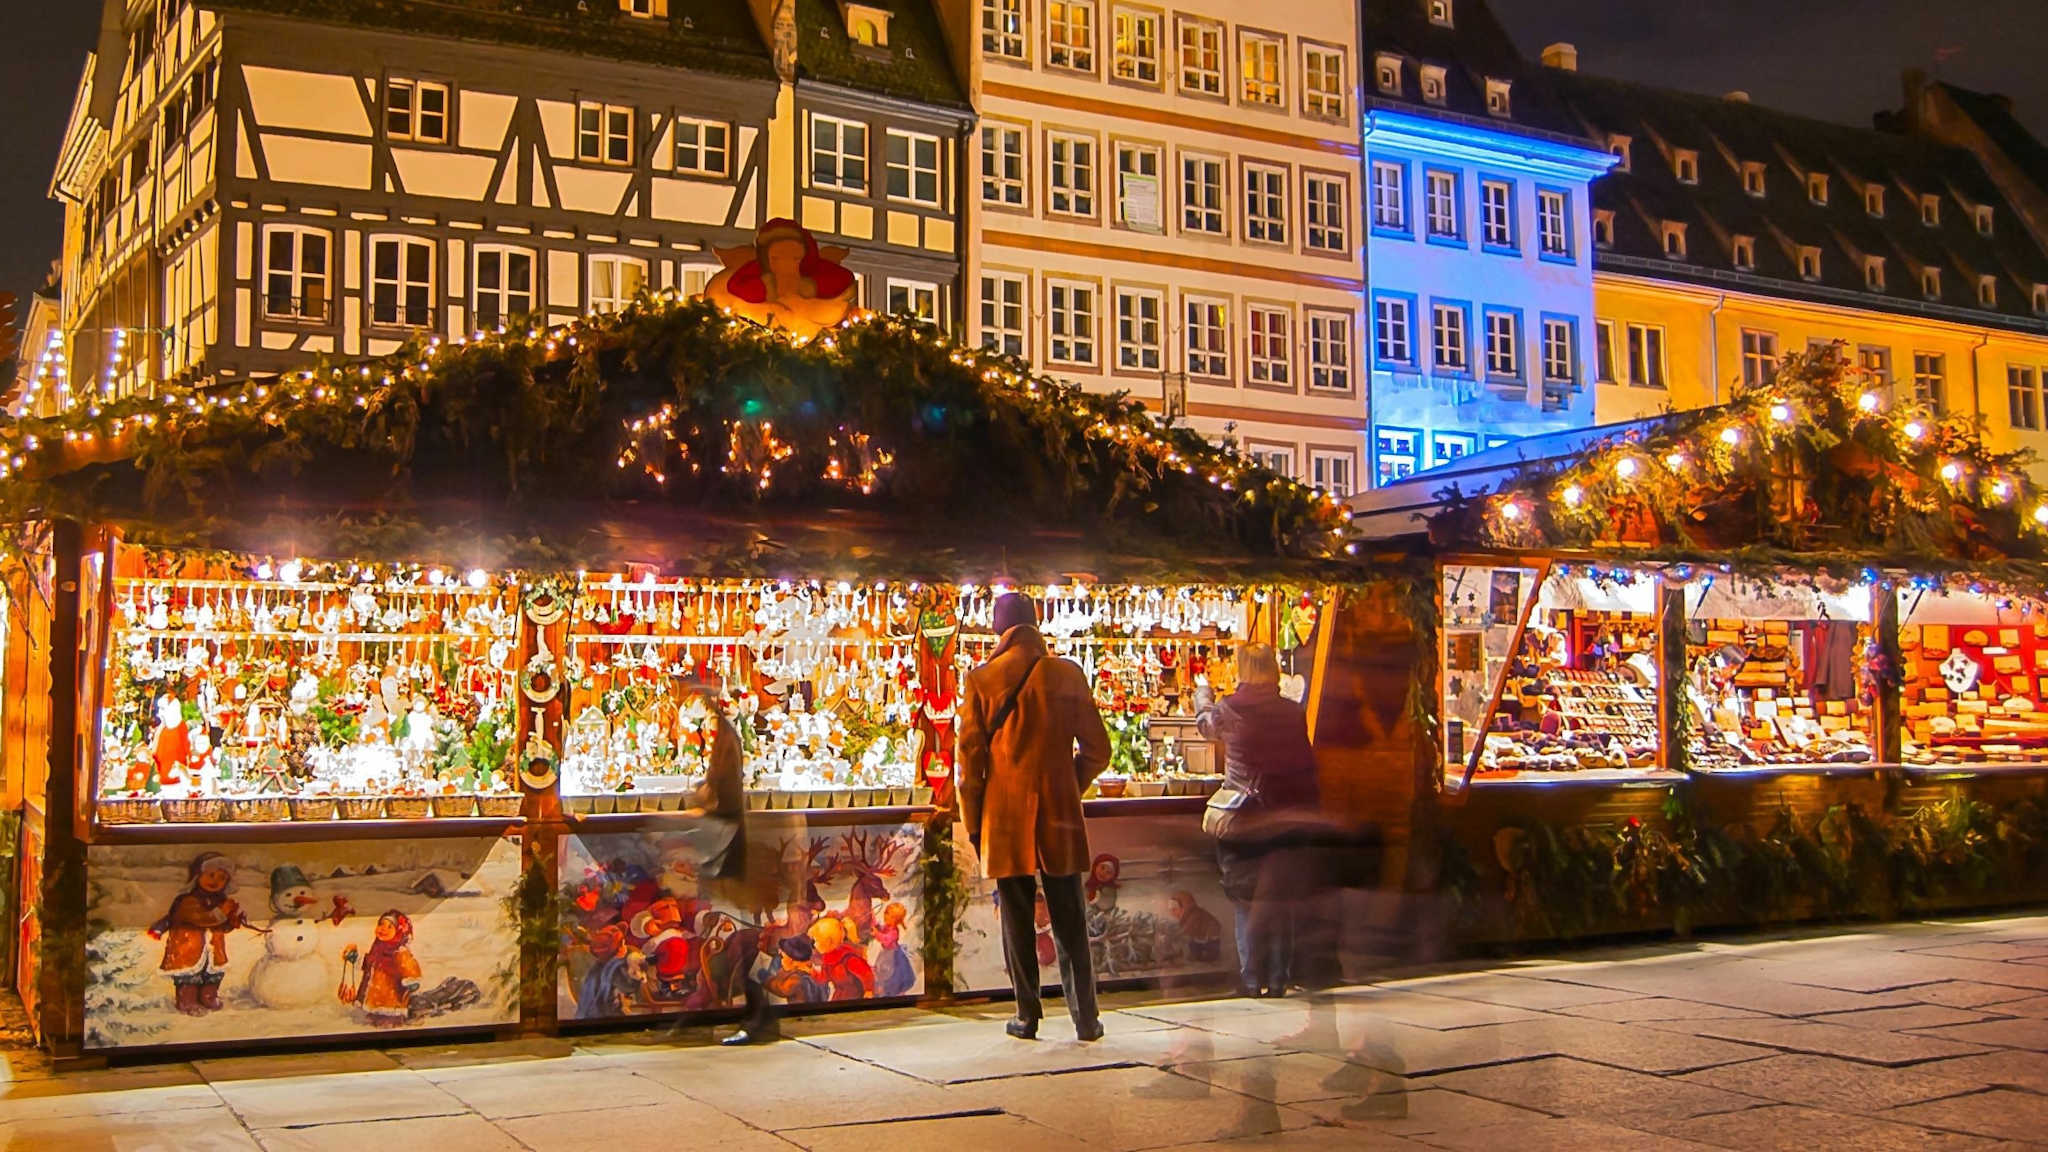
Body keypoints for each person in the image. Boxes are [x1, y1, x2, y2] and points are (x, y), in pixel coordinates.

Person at [958, 592, 1112, 1041]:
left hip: (1005, 817)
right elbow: (1099, 750)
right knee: (1069, 916)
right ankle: (1086, 1018)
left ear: (997, 628)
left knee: (1017, 916)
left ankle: (1027, 1015)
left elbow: (970, 765)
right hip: (1059, 814)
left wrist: (973, 821)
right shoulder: (1068, 675)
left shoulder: (983, 680)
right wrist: (1067, 785)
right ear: (1036, 623)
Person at [1198, 643, 1321, 998]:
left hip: (1242, 817)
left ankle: (1251, 978)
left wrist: (1202, 694)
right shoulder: (1291, 712)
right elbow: (1305, 765)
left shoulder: (1229, 708)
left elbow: (1206, 727)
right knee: (1280, 900)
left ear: (1243, 669)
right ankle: (1279, 978)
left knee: (1244, 899)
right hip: (1284, 817)